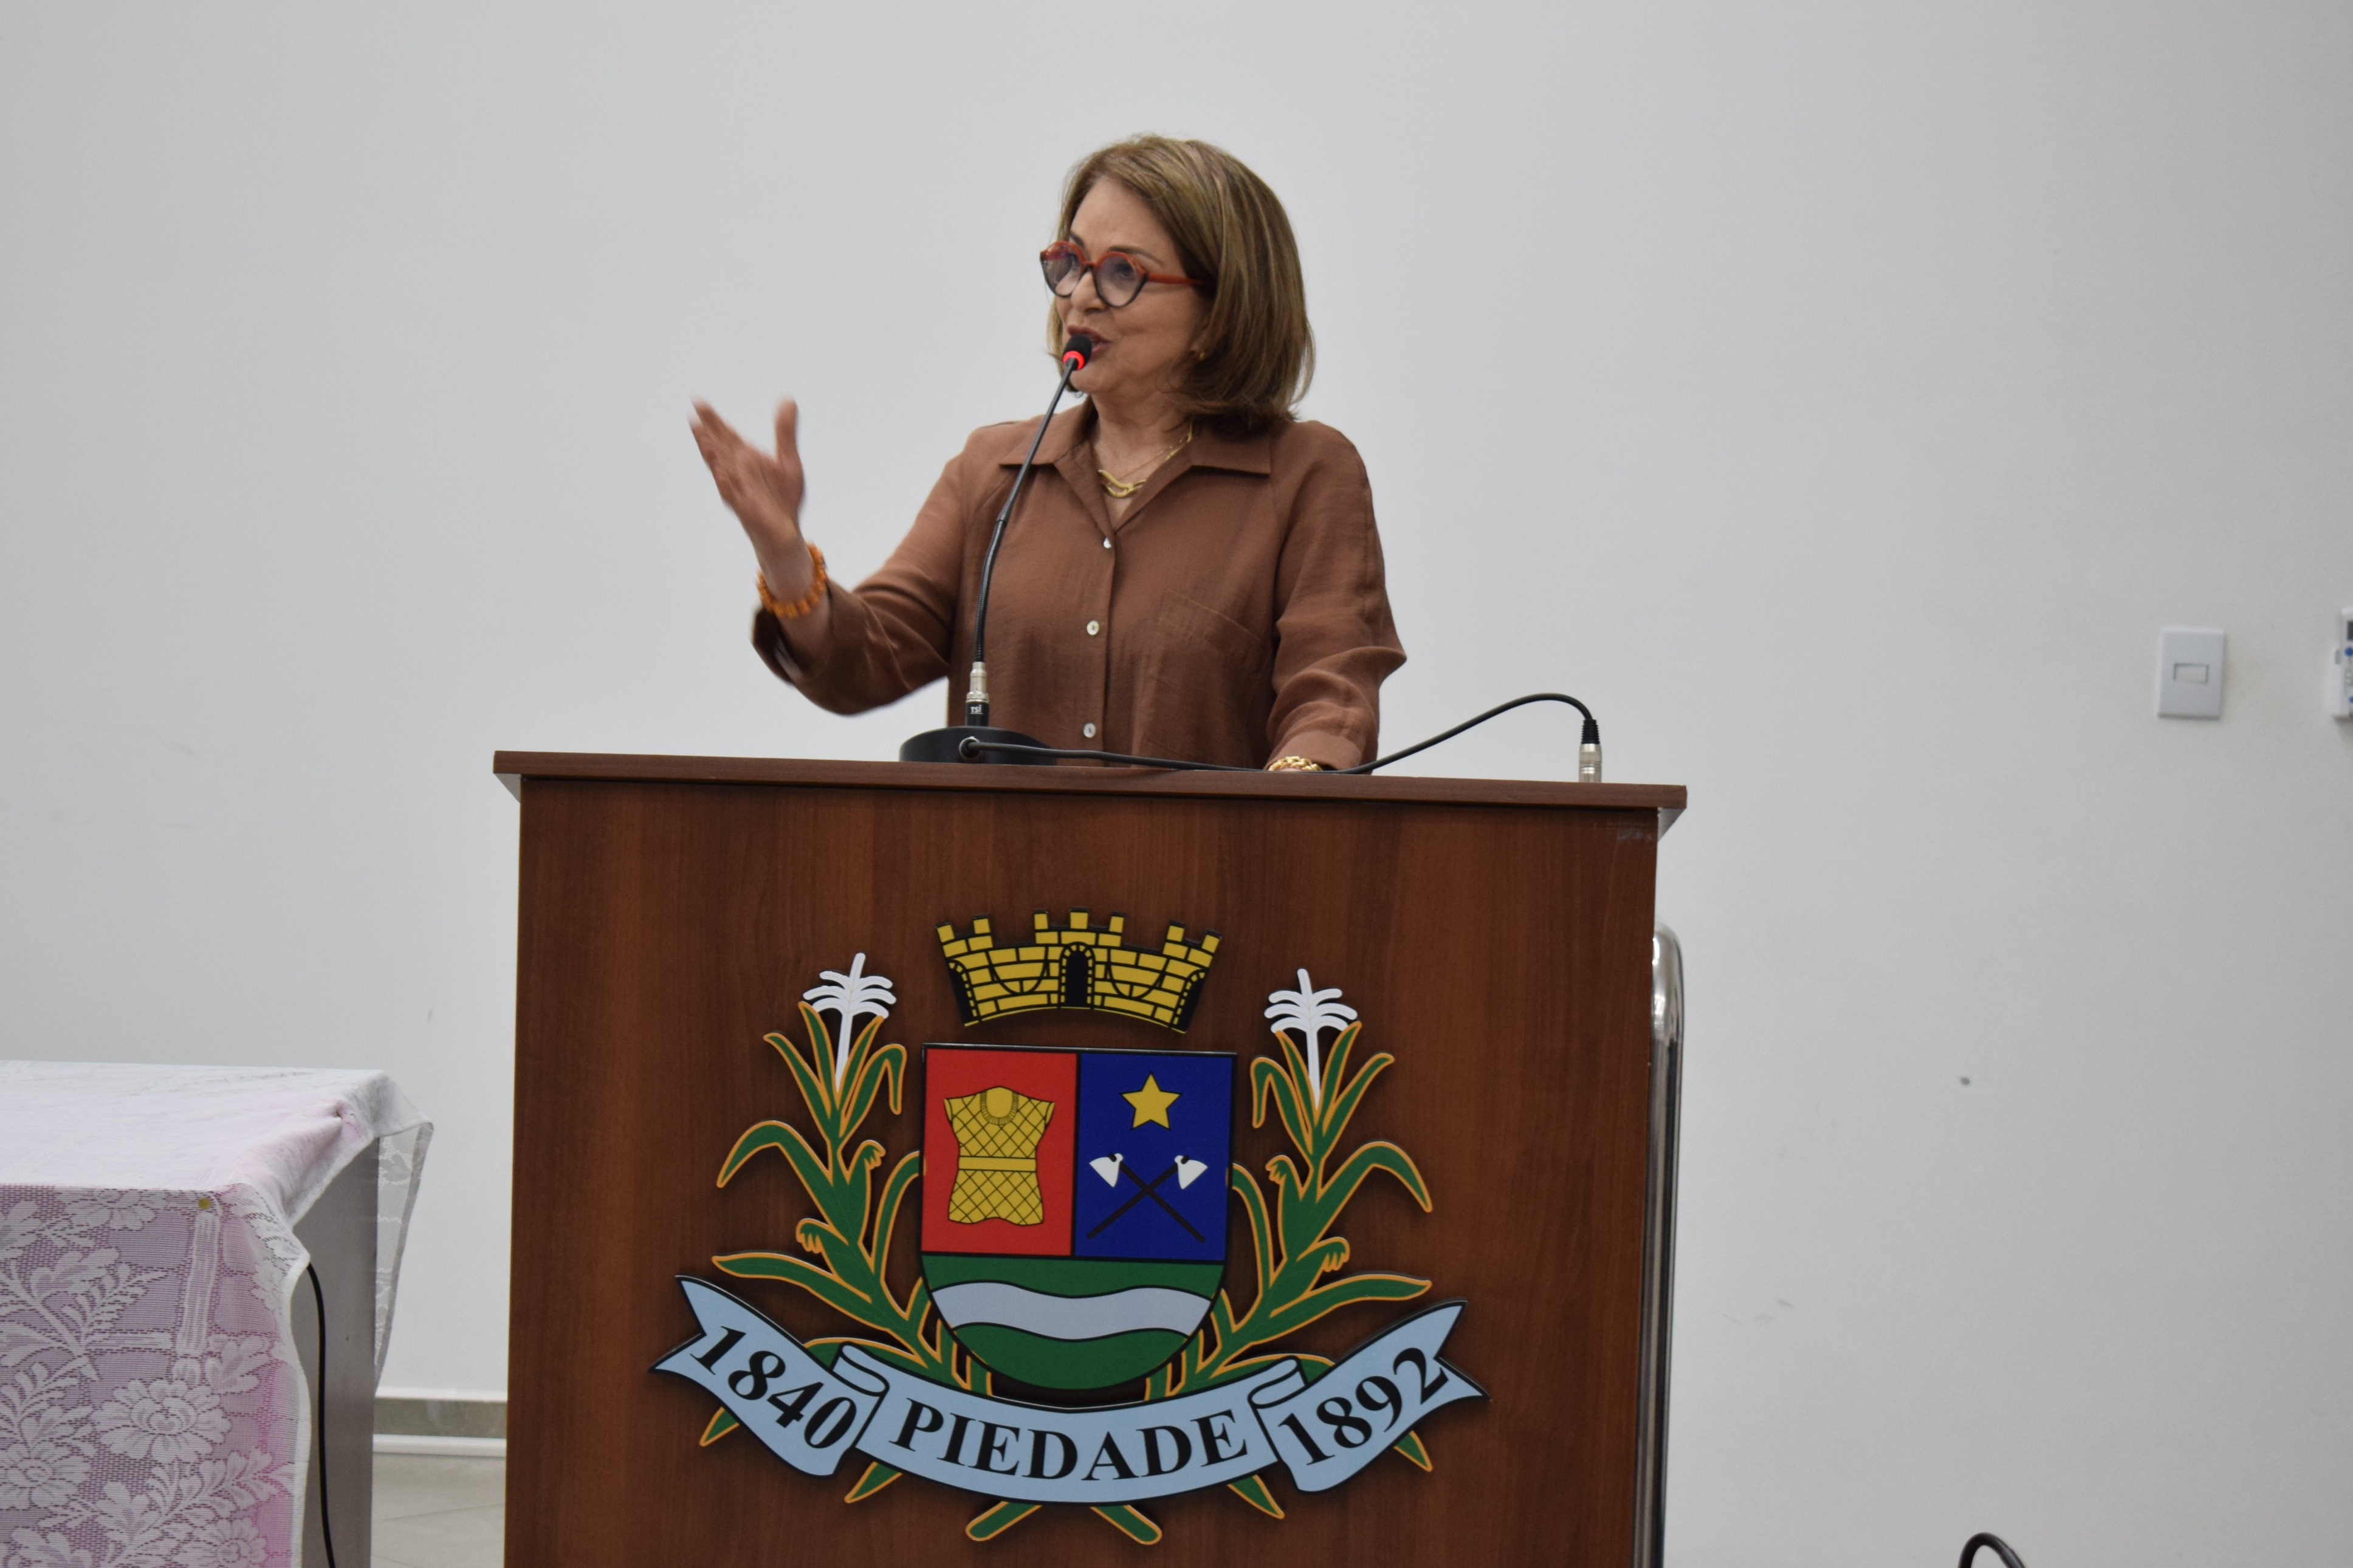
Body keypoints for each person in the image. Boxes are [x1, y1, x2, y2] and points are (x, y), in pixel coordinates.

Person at [690, 135, 1403, 772]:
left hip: (1201, 879)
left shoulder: (1304, 475)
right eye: (1070, 263)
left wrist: (1299, 798)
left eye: (1121, 273)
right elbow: (863, 662)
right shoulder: (991, 471)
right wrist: (783, 552)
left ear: (1216, 317)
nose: (1080, 297)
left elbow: (1330, 698)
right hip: (1001, 881)